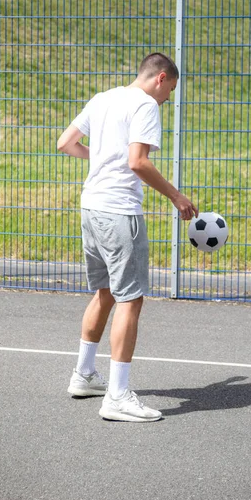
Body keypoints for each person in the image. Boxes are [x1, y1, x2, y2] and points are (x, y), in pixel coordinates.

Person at [57, 53, 198, 422]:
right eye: (171, 89)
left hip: (91, 208)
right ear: (161, 78)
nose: (169, 97)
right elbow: (138, 162)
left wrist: (101, 160)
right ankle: (117, 396)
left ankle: (84, 376)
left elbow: (66, 142)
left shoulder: (103, 98)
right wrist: (176, 196)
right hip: (120, 213)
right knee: (130, 300)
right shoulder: (146, 105)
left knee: (105, 293)